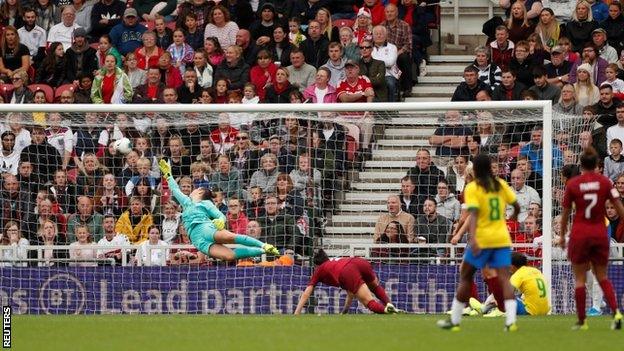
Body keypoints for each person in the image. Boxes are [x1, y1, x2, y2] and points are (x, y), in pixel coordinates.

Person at [437, 154, 521, 332]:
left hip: (483, 239)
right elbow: (517, 205)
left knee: (465, 275)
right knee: (505, 278)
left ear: (476, 169)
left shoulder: (473, 188)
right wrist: (512, 217)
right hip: (501, 238)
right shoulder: (500, 184)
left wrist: (473, 238)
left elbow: (473, 215)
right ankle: (511, 321)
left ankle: (455, 320)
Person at [159, 159, 279, 261]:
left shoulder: (205, 203)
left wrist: (221, 221)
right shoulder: (186, 202)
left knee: (230, 237)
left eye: (195, 190)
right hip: (197, 240)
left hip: (204, 228)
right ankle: (261, 251)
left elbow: (220, 215)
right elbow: (175, 189)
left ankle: (264, 245)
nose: (192, 190)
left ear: (200, 191)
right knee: (228, 256)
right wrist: (168, 176)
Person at [559, 147, 624, 330]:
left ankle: (582, 321)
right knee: (602, 276)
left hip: (580, 233)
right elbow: (618, 206)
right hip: (599, 232)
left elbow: (565, 213)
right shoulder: (605, 182)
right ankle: (616, 313)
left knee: (580, 278)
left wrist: (563, 236)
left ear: (581, 166)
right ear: (597, 165)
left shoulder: (573, 184)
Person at [294, 249, 401, 315]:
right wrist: (344, 312)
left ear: (317, 265)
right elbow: (351, 293)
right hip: (359, 261)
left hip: (347, 270)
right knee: (374, 286)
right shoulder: (335, 261)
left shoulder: (320, 269)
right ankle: (389, 303)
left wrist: (297, 312)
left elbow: (306, 293)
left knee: (368, 302)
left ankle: (387, 310)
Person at [469, 252, 550, 316]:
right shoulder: (535, 271)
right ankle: (487, 307)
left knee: (504, 295)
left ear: (511, 266)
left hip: (530, 312)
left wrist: (496, 300)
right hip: (545, 310)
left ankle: (490, 309)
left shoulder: (518, 274)